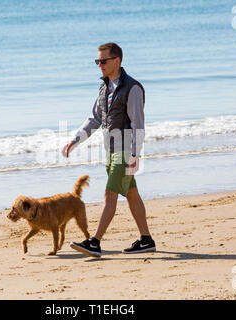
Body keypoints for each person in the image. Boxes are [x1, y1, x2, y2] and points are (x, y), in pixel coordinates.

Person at [61, 42, 156, 258]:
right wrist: (75, 141)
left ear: (117, 61)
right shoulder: (104, 87)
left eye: (103, 61)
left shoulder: (132, 88)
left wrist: (135, 154)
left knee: (109, 194)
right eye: (97, 61)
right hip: (111, 150)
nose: (99, 65)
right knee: (132, 194)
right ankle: (146, 239)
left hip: (125, 150)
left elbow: (138, 124)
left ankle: (95, 242)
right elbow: (95, 118)